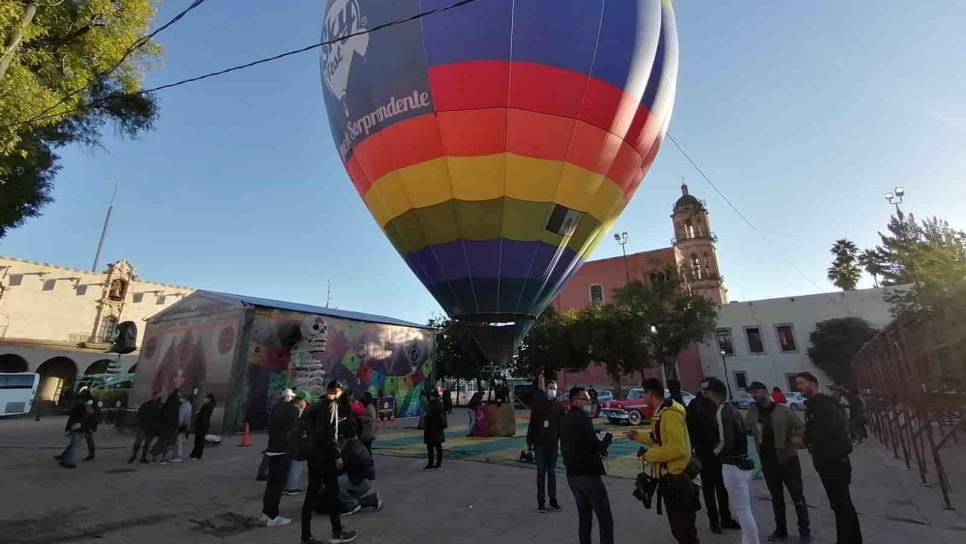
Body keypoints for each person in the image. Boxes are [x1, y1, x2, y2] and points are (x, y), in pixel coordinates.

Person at [628, 379, 700, 544]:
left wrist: (649, 455)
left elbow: (676, 449)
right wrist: (638, 437)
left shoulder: (669, 415)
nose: (642, 398)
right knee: (679, 528)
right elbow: (660, 441)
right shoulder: (661, 414)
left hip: (678, 480)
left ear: (651, 394)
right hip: (671, 479)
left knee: (684, 530)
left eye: (643, 394)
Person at [796, 372, 862, 544]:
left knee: (842, 504)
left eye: (801, 383)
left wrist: (805, 440)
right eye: (797, 384)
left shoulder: (822, 403)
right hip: (829, 460)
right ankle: (846, 539)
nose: (799, 387)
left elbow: (826, 429)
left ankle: (851, 540)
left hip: (833, 461)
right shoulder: (816, 404)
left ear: (812, 383)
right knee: (839, 505)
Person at [745, 382, 811, 543]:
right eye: (752, 393)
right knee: (777, 498)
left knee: (797, 496)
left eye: (757, 391)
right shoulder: (751, 413)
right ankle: (781, 530)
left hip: (788, 460)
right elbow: (746, 429)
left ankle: (804, 531)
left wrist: (794, 441)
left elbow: (800, 427)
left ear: (766, 392)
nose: (755, 395)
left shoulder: (783, 411)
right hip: (768, 462)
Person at [302, 380, 357, 544]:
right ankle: (337, 531)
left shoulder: (316, 405)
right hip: (325, 457)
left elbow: (309, 428)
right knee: (333, 495)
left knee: (310, 496)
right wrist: (336, 455)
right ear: (337, 391)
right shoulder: (331, 405)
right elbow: (330, 433)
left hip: (313, 456)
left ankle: (305, 536)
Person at [706, 378, 760, 544]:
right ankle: (748, 540)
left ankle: (752, 541)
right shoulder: (733, 409)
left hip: (732, 465)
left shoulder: (722, 411)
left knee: (743, 511)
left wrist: (713, 453)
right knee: (745, 509)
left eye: (706, 390)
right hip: (742, 463)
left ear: (713, 393)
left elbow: (725, 441)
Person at [560, 387, 613, 544]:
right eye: (585, 399)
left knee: (584, 520)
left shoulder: (566, 419)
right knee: (605, 520)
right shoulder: (583, 419)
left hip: (572, 476)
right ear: (576, 401)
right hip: (588, 476)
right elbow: (593, 445)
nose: (588, 402)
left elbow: (575, 441)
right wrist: (606, 441)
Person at [686, 379, 738, 534]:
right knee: (708, 487)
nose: (705, 391)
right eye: (703, 388)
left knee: (722, 486)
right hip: (704, 451)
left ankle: (726, 518)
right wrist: (692, 449)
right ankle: (713, 520)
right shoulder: (694, 406)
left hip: (719, 451)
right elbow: (689, 429)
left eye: (708, 388)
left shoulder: (718, 404)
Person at [526, 379, 565, 513]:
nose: (551, 391)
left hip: (553, 445)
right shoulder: (538, 405)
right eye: (550, 388)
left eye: (554, 388)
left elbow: (562, 428)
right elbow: (532, 424)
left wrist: (562, 443)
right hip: (539, 444)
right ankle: (541, 502)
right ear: (546, 389)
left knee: (552, 473)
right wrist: (529, 441)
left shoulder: (559, 408)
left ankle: (553, 501)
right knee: (541, 473)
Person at [261, 388, 298, 527]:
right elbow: (294, 431)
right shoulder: (292, 410)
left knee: (271, 484)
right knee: (278, 485)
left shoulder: (275, 408)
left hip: (272, 449)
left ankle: (265, 513)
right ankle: (273, 516)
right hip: (283, 451)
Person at [337, 421, 382, 515]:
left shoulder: (350, 448)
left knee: (334, 483)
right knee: (342, 490)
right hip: (365, 478)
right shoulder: (355, 443)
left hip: (361, 480)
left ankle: (351, 505)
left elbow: (341, 467)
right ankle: (371, 500)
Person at [285, 390, 312, 495]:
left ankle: (287, 486)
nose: (306, 404)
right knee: (296, 465)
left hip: (288, 443)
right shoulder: (298, 412)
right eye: (305, 402)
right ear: (302, 401)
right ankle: (292, 487)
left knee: (290, 465)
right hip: (297, 443)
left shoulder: (288, 408)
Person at [55, 398, 93, 469]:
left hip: (78, 428)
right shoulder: (81, 409)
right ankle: (67, 461)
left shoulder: (81, 408)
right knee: (74, 446)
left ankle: (64, 459)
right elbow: (80, 420)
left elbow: (73, 419)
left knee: (73, 445)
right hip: (78, 429)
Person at [131, 391, 163, 463]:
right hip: (147, 427)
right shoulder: (155, 406)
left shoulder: (149, 405)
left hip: (148, 428)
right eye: (159, 396)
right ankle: (137, 456)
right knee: (142, 443)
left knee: (143, 443)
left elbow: (139, 415)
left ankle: (137, 457)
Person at [151, 389, 180, 464]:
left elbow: (161, 413)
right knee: (166, 444)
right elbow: (175, 418)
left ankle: (154, 457)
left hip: (164, 427)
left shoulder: (167, 404)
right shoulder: (176, 405)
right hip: (170, 428)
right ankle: (163, 459)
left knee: (160, 442)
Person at [423, 389, 446, 469]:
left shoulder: (432, 405)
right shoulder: (440, 404)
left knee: (430, 446)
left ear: (433, 397)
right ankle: (438, 463)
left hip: (432, 428)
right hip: (438, 428)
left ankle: (431, 463)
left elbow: (428, 416)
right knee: (438, 446)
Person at [173, 392, 193, 462]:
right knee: (180, 441)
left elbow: (181, 417)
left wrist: (178, 426)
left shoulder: (183, 405)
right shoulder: (189, 405)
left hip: (181, 426)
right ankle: (177, 455)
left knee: (179, 441)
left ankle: (178, 456)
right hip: (185, 425)